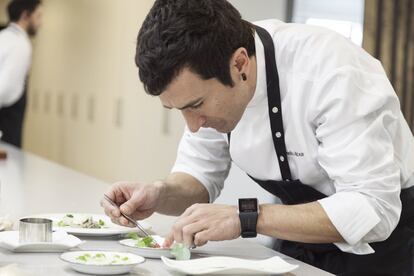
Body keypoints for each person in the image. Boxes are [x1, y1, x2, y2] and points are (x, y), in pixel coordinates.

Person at [101, 0, 414, 274]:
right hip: (298, 244)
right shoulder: (211, 78)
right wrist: (159, 194)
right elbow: (198, 176)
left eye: (196, 105)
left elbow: (373, 209)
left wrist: (246, 217)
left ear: (240, 64)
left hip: (388, 251)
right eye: (178, 109)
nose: (193, 125)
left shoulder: (331, 73)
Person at [0, 0, 42, 147]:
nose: (40, 23)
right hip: (7, 124)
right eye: (38, 16)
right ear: (25, 16)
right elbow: (5, 89)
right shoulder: (20, 44)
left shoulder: (3, 36)